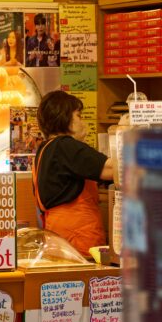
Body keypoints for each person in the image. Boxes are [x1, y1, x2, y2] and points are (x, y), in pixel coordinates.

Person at [32, 90, 113, 257]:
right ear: (65, 118)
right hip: (78, 239)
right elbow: (110, 169)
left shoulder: (45, 148)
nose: (83, 122)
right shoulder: (65, 146)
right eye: (79, 115)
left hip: (58, 234)